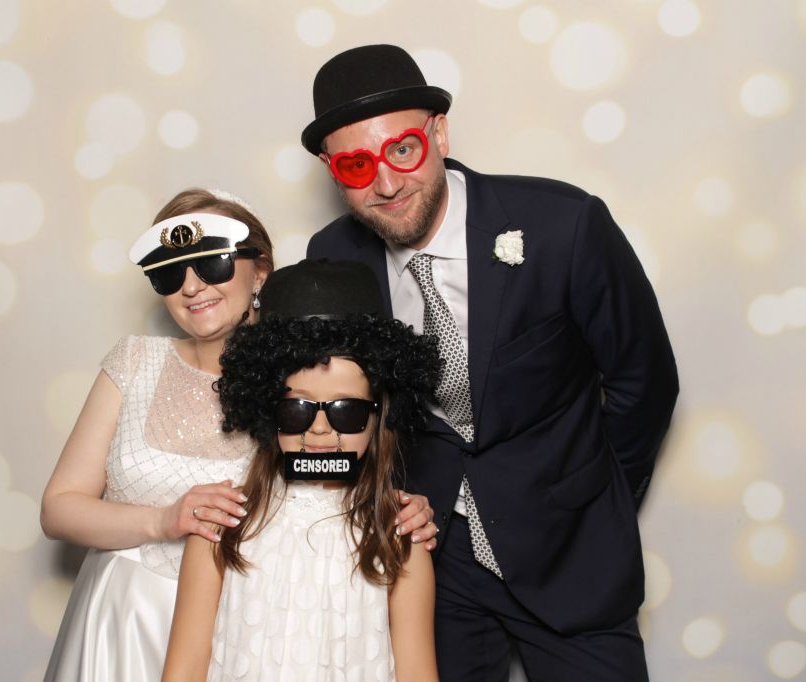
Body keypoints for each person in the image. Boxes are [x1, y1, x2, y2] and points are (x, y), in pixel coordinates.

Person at [303, 45, 680, 681]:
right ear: (330, 169)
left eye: (403, 150)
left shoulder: (563, 225)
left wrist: (595, 498)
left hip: (572, 552)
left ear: (439, 134)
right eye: (356, 165)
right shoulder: (333, 258)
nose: (387, 185)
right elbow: (339, 406)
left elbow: (645, 383)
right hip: (431, 563)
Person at [40, 190, 437, 681]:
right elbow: (59, 507)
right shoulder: (134, 361)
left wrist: (400, 507)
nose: (192, 286)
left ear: (260, 271)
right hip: (128, 618)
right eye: (169, 272)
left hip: (265, 624)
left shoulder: (307, 370)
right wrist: (164, 520)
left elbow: (347, 472)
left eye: (213, 263)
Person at [162, 259, 441, 682]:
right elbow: (183, 670)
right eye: (297, 409)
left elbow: (418, 673)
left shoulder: (400, 537)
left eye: (346, 411)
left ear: (378, 415)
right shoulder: (221, 526)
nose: (321, 429)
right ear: (267, 410)